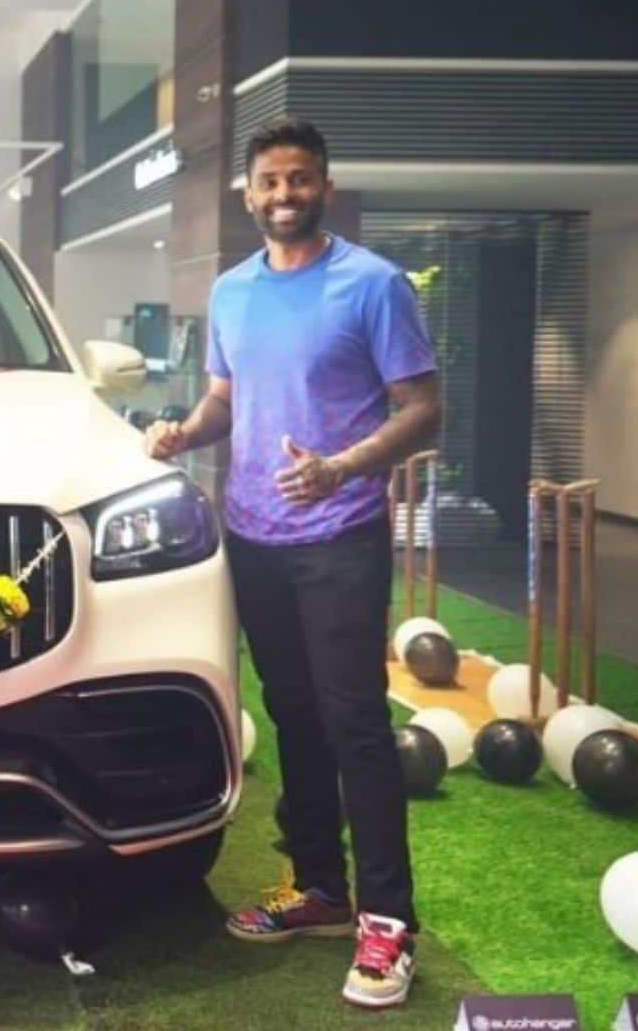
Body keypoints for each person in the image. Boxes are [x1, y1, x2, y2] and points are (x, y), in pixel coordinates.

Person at [143, 118, 440, 1010]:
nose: (284, 195)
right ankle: (320, 887)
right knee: (293, 717)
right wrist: (184, 432)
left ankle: (388, 923)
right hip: (256, 539)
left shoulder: (373, 285)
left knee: (355, 727)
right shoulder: (232, 292)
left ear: (326, 186)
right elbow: (228, 397)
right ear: (247, 195)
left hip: (339, 538)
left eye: (300, 179)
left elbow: (423, 409)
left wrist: (342, 467)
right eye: (269, 182)